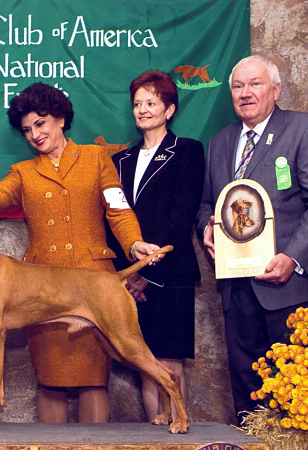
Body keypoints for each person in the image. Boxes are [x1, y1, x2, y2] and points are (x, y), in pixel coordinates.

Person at [0, 82, 162, 423]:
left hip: (94, 282)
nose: (34, 134)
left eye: (41, 122)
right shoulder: (24, 172)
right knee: (51, 383)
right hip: (40, 291)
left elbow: (118, 210)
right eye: (27, 129)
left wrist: (134, 244)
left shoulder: (96, 158)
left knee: (94, 382)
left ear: (61, 118)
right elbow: (0, 194)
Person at [195, 55, 308, 421]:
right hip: (237, 287)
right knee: (249, 393)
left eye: (255, 84)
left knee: (300, 397)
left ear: (275, 89)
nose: (246, 93)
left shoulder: (306, 129)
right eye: (238, 86)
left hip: (294, 288)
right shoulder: (220, 142)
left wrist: (292, 256)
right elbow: (207, 203)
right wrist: (207, 229)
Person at [108, 70, 204, 421]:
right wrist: (130, 274)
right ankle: (153, 436)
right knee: (144, 362)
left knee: (169, 361)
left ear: (170, 109)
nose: (143, 109)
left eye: (151, 102)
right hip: (131, 280)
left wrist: (150, 273)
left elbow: (182, 217)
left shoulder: (188, 151)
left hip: (171, 272)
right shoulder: (119, 161)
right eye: (137, 103)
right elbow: (113, 220)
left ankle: (178, 430)